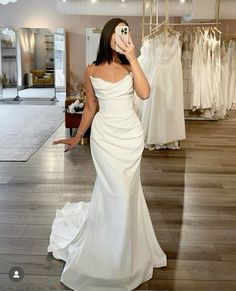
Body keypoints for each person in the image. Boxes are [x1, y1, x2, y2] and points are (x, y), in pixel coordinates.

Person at [47, 18, 167, 291]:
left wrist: (132, 56)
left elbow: (145, 94)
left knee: (126, 191)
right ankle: (111, 250)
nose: (122, 35)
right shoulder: (91, 70)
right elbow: (90, 107)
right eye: (118, 31)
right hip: (104, 138)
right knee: (115, 191)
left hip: (130, 136)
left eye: (126, 31)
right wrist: (78, 136)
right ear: (107, 36)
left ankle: (124, 249)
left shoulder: (129, 66)